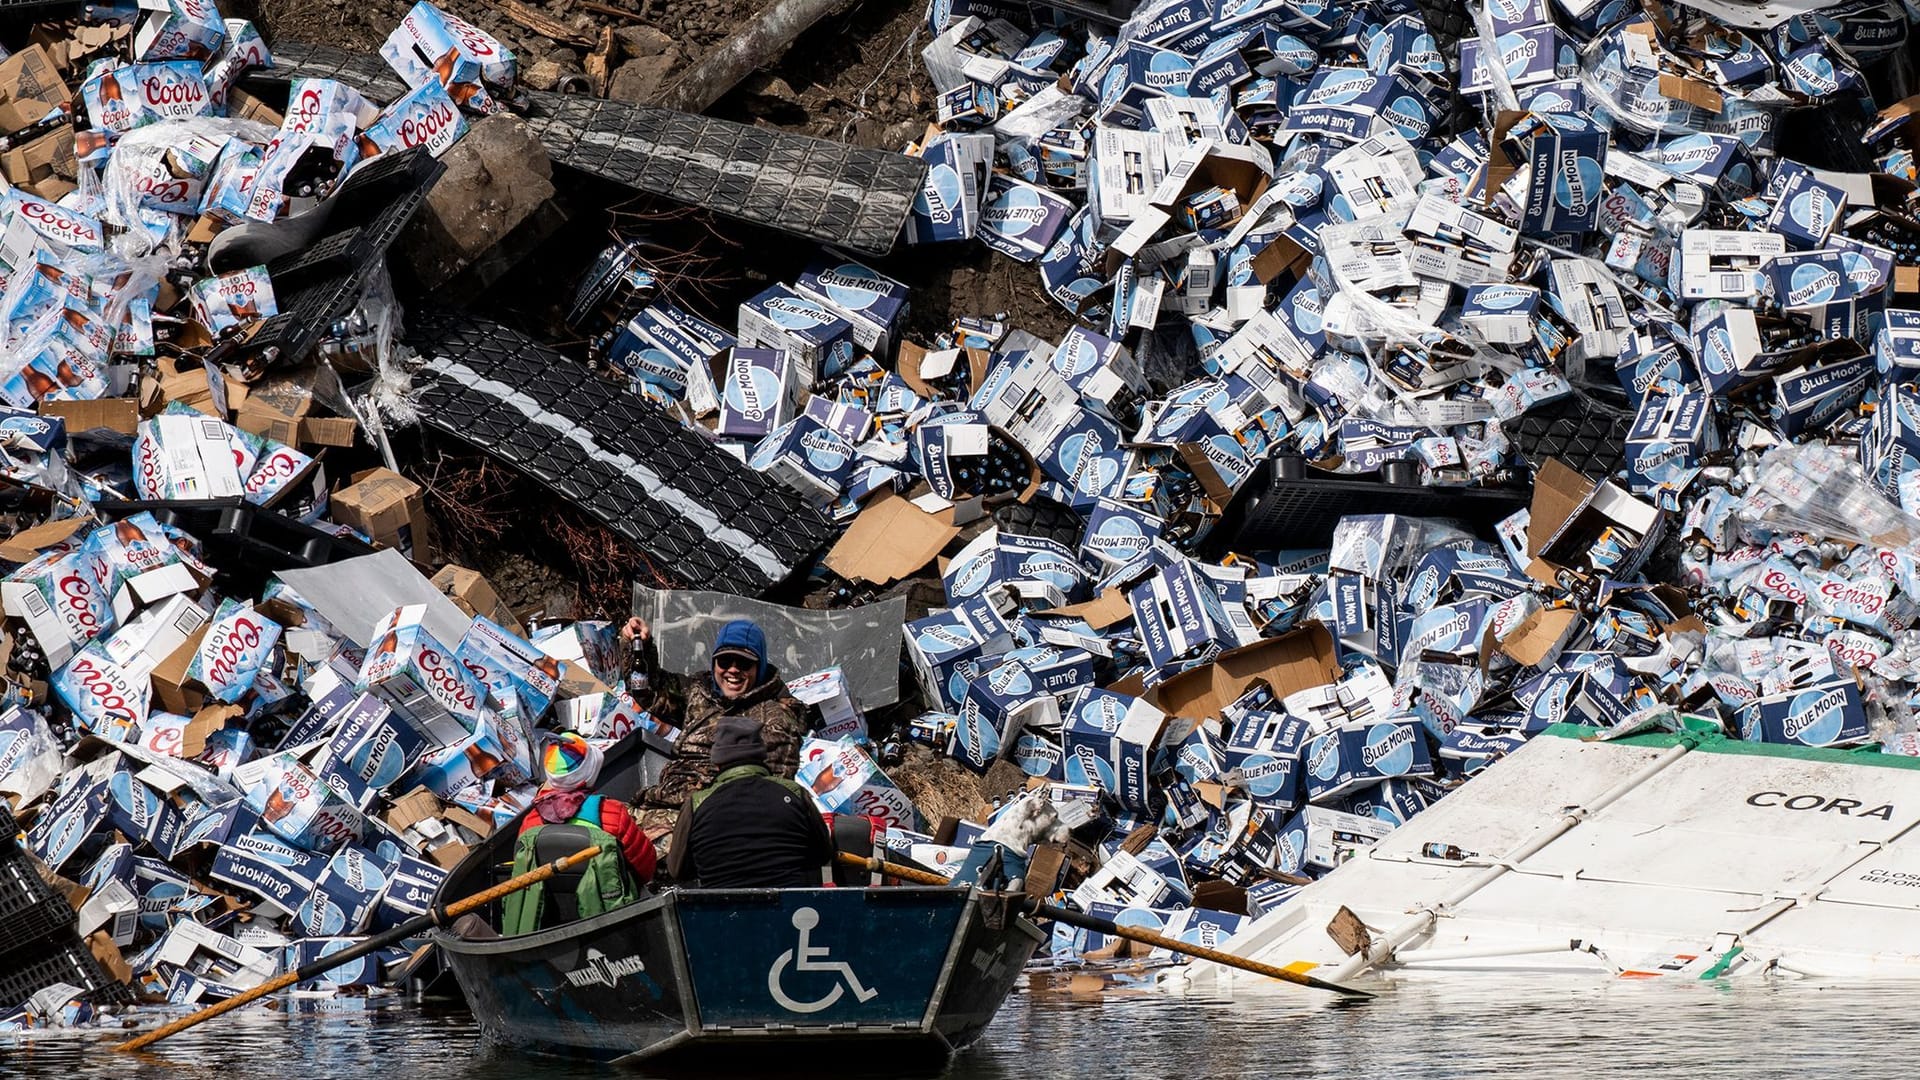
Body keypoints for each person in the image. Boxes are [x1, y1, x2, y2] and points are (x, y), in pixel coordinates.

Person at [626, 617, 809, 847]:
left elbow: (765, 795)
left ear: (759, 667)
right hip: (657, 801)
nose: (732, 670)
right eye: (724, 661)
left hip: (705, 820)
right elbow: (649, 690)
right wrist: (640, 647)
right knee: (596, 827)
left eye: (743, 663)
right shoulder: (701, 692)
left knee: (634, 854)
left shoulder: (775, 719)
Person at [499, 733, 656, 935]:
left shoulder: (530, 823)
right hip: (607, 916)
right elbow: (645, 867)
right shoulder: (612, 813)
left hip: (550, 921)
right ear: (589, 774)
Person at [670, 717, 833, 889]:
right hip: (790, 910)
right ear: (761, 756)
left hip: (722, 910)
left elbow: (677, 870)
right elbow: (822, 854)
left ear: (717, 762)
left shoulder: (696, 804)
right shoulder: (794, 793)